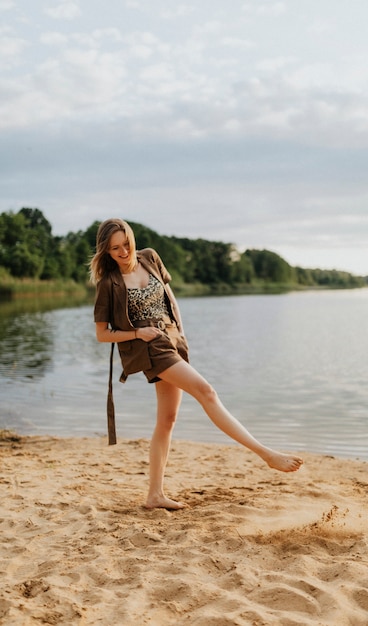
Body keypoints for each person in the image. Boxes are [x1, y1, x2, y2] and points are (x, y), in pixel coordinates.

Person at [90, 218, 303, 510]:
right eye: (115, 249)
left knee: (167, 420)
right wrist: (139, 332)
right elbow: (102, 334)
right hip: (150, 348)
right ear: (107, 252)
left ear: (131, 238)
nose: (124, 252)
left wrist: (180, 332)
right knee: (207, 392)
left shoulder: (149, 257)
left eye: (126, 243)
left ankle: (154, 495)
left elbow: (169, 298)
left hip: (173, 340)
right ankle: (265, 454)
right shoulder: (108, 284)